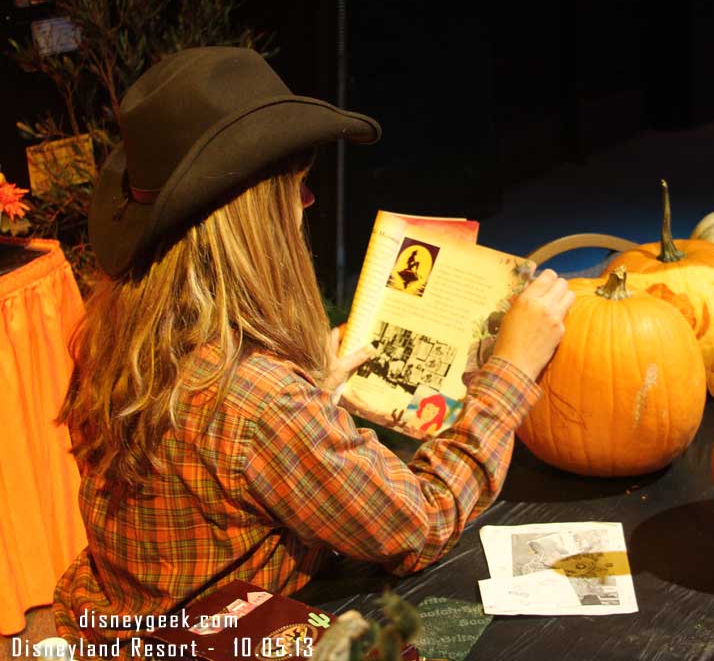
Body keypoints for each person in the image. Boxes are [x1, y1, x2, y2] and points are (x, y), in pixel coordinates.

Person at [52, 47, 574, 645]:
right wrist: (510, 368)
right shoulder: (260, 399)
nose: (309, 204)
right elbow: (421, 523)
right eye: (296, 190)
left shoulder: (116, 331)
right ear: (254, 220)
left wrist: (310, 392)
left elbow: (210, 474)